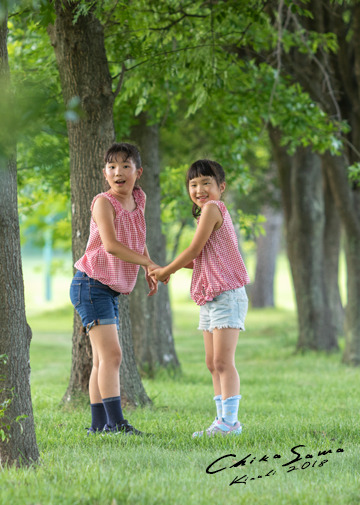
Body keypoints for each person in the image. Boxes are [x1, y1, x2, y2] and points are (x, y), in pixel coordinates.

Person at [150, 159, 250, 437]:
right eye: (193, 184)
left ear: (221, 187)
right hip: (211, 297)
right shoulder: (204, 214)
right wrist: (162, 267)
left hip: (227, 295)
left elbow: (194, 249)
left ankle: (230, 423)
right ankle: (222, 421)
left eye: (206, 182)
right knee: (211, 362)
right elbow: (202, 259)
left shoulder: (212, 209)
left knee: (223, 362)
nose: (199, 189)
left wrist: (165, 271)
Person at [70, 142, 159, 436]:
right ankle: (117, 423)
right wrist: (146, 261)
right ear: (104, 173)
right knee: (112, 356)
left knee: (102, 359)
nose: (118, 172)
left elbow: (137, 235)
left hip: (107, 289)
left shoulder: (138, 200)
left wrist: (146, 265)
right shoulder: (103, 203)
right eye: (111, 167)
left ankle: (99, 425)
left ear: (138, 172)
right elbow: (111, 246)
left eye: (125, 166)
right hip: (90, 284)